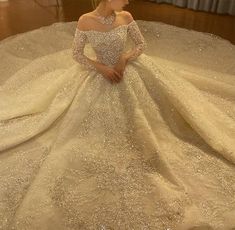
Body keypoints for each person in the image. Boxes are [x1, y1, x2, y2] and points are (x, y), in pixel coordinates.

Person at [0, 0, 235, 229]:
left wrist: (124, 57)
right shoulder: (85, 21)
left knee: (154, 113)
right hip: (97, 74)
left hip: (129, 72)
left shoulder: (126, 17)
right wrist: (100, 66)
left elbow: (141, 45)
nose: (128, 2)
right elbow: (77, 54)